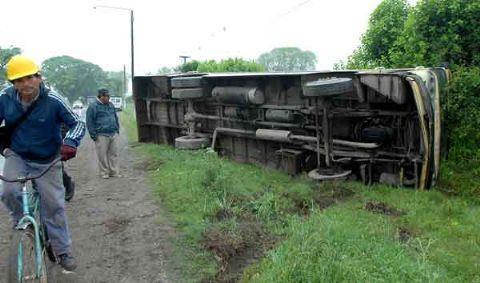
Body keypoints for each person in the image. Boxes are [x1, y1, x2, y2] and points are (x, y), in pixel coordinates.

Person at [0, 55, 85, 271]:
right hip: (17, 155)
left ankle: (63, 250)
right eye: (18, 80)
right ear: (13, 83)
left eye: (29, 78)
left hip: (48, 158)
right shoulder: (5, 98)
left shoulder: (54, 99)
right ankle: (22, 225)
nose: (25, 84)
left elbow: (77, 123)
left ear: (39, 77)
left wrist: (70, 143)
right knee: (9, 192)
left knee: (54, 205)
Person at [86, 88, 121, 179]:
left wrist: (117, 128)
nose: (108, 98)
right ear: (100, 96)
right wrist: (93, 135)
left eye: (108, 96)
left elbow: (115, 117)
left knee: (113, 154)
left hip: (112, 133)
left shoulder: (111, 105)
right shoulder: (93, 106)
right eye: (106, 96)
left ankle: (113, 172)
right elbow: (89, 122)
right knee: (102, 155)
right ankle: (104, 173)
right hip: (101, 134)